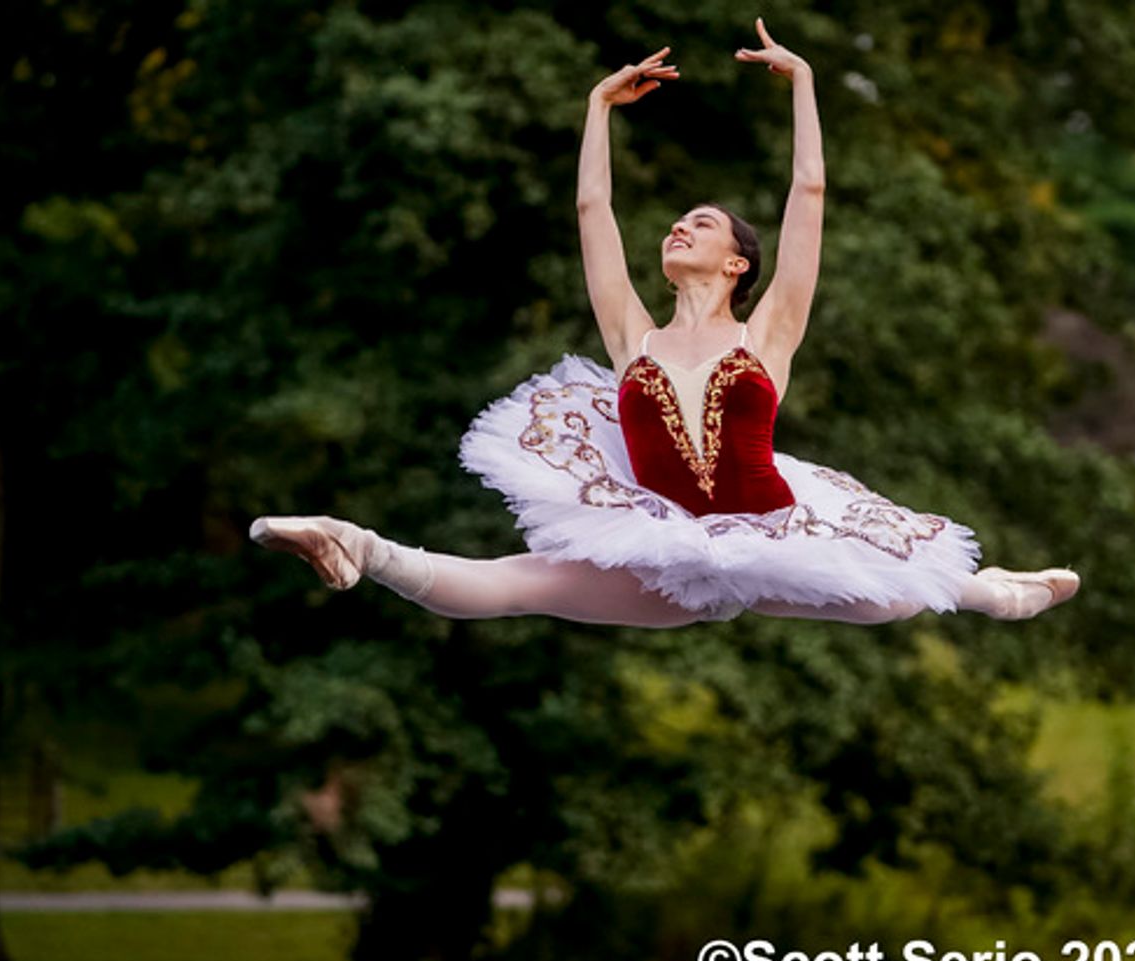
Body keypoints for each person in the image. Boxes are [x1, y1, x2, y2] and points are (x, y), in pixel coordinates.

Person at [250, 19, 1080, 627]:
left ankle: (999, 590)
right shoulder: (631, 338)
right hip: (659, 547)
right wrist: (597, 108)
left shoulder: (770, 332)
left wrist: (806, 86)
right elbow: (591, 208)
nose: (680, 227)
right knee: (510, 587)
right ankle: (349, 541)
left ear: (737, 265)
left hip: (776, 533)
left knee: (893, 601)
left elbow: (811, 196)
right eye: (677, 222)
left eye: (703, 223)